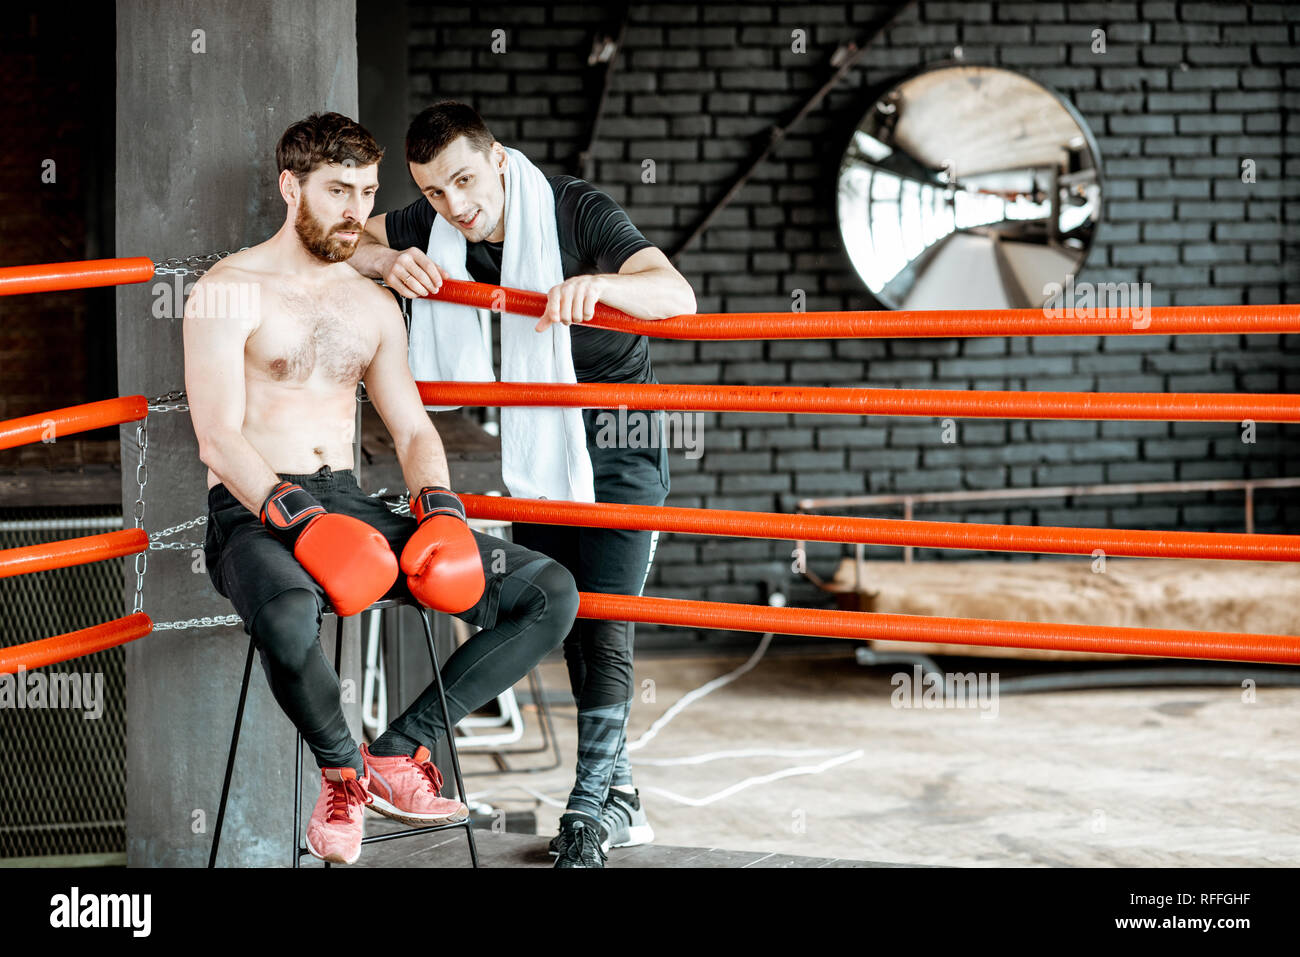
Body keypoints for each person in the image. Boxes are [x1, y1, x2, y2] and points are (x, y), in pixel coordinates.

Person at [185, 111, 580, 866]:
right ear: (289, 187)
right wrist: (295, 520)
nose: (355, 211)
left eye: (366, 192)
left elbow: (412, 431)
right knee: (291, 609)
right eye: (338, 190)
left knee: (547, 591)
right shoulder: (227, 289)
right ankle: (340, 772)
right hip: (252, 511)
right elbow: (218, 440)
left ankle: (399, 755)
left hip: (353, 503)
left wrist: (439, 509)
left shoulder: (369, 302)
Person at [350, 100, 696, 867]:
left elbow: (677, 294)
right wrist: (381, 261)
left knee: (605, 618)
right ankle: (622, 798)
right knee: (565, 613)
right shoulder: (437, 225)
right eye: (436, 193)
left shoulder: (573, 210)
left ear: (498, 159)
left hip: (619, 443)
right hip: (540, 447)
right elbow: (343, 241)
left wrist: (602, 287)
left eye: (466, 181)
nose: (457, 207)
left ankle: (587, 808)